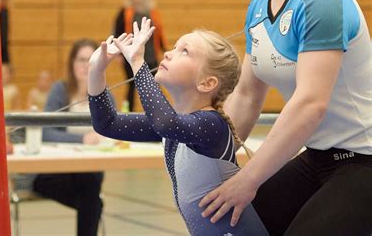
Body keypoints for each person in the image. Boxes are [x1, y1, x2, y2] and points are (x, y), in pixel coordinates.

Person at [199, 0, 372, 235]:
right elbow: (246, 96)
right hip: (318, 158)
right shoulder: (260, 6)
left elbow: (310, 105)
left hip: (363, 163)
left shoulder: (322, 0)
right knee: (227, 224)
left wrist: (247, 179)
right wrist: (205, 162)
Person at [88, 20, 268, 235]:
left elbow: (166, 123)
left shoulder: (211, 125)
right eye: (174, 47)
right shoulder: (177, 125)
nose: (168, 54)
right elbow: (107, 123)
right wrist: (95, 71)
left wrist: (137, 62)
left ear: (207, 83)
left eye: (184, 51)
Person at [33, 39, 106, 236]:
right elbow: (46, 132)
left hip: (89, 171)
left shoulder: (104, 94)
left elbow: (113, 133)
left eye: (91, 60)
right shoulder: (60, 90)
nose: (85, 65)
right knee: (92, 201)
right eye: (80, 59)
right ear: (72, 63)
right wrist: (81, 140)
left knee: (90, 191)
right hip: (54, 171)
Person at [113, 0, 167, 110]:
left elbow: (158, 32)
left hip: (150, 54)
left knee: (155, 84)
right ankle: (128, 112)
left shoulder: (152, 12)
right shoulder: (125, 12)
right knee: (132, 85)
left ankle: (159, 110)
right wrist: (118, 53)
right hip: (130, 55)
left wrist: (163, 49)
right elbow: (117, 31)